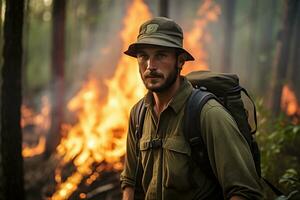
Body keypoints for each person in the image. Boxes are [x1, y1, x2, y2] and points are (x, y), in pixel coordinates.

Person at [120, 17, 263, 200]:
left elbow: (245, 191)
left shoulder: (208, 114)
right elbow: (129, 183)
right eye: (144, 56)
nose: (150, 66)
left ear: (180, 61)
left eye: (161, 55)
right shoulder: (138, 114)